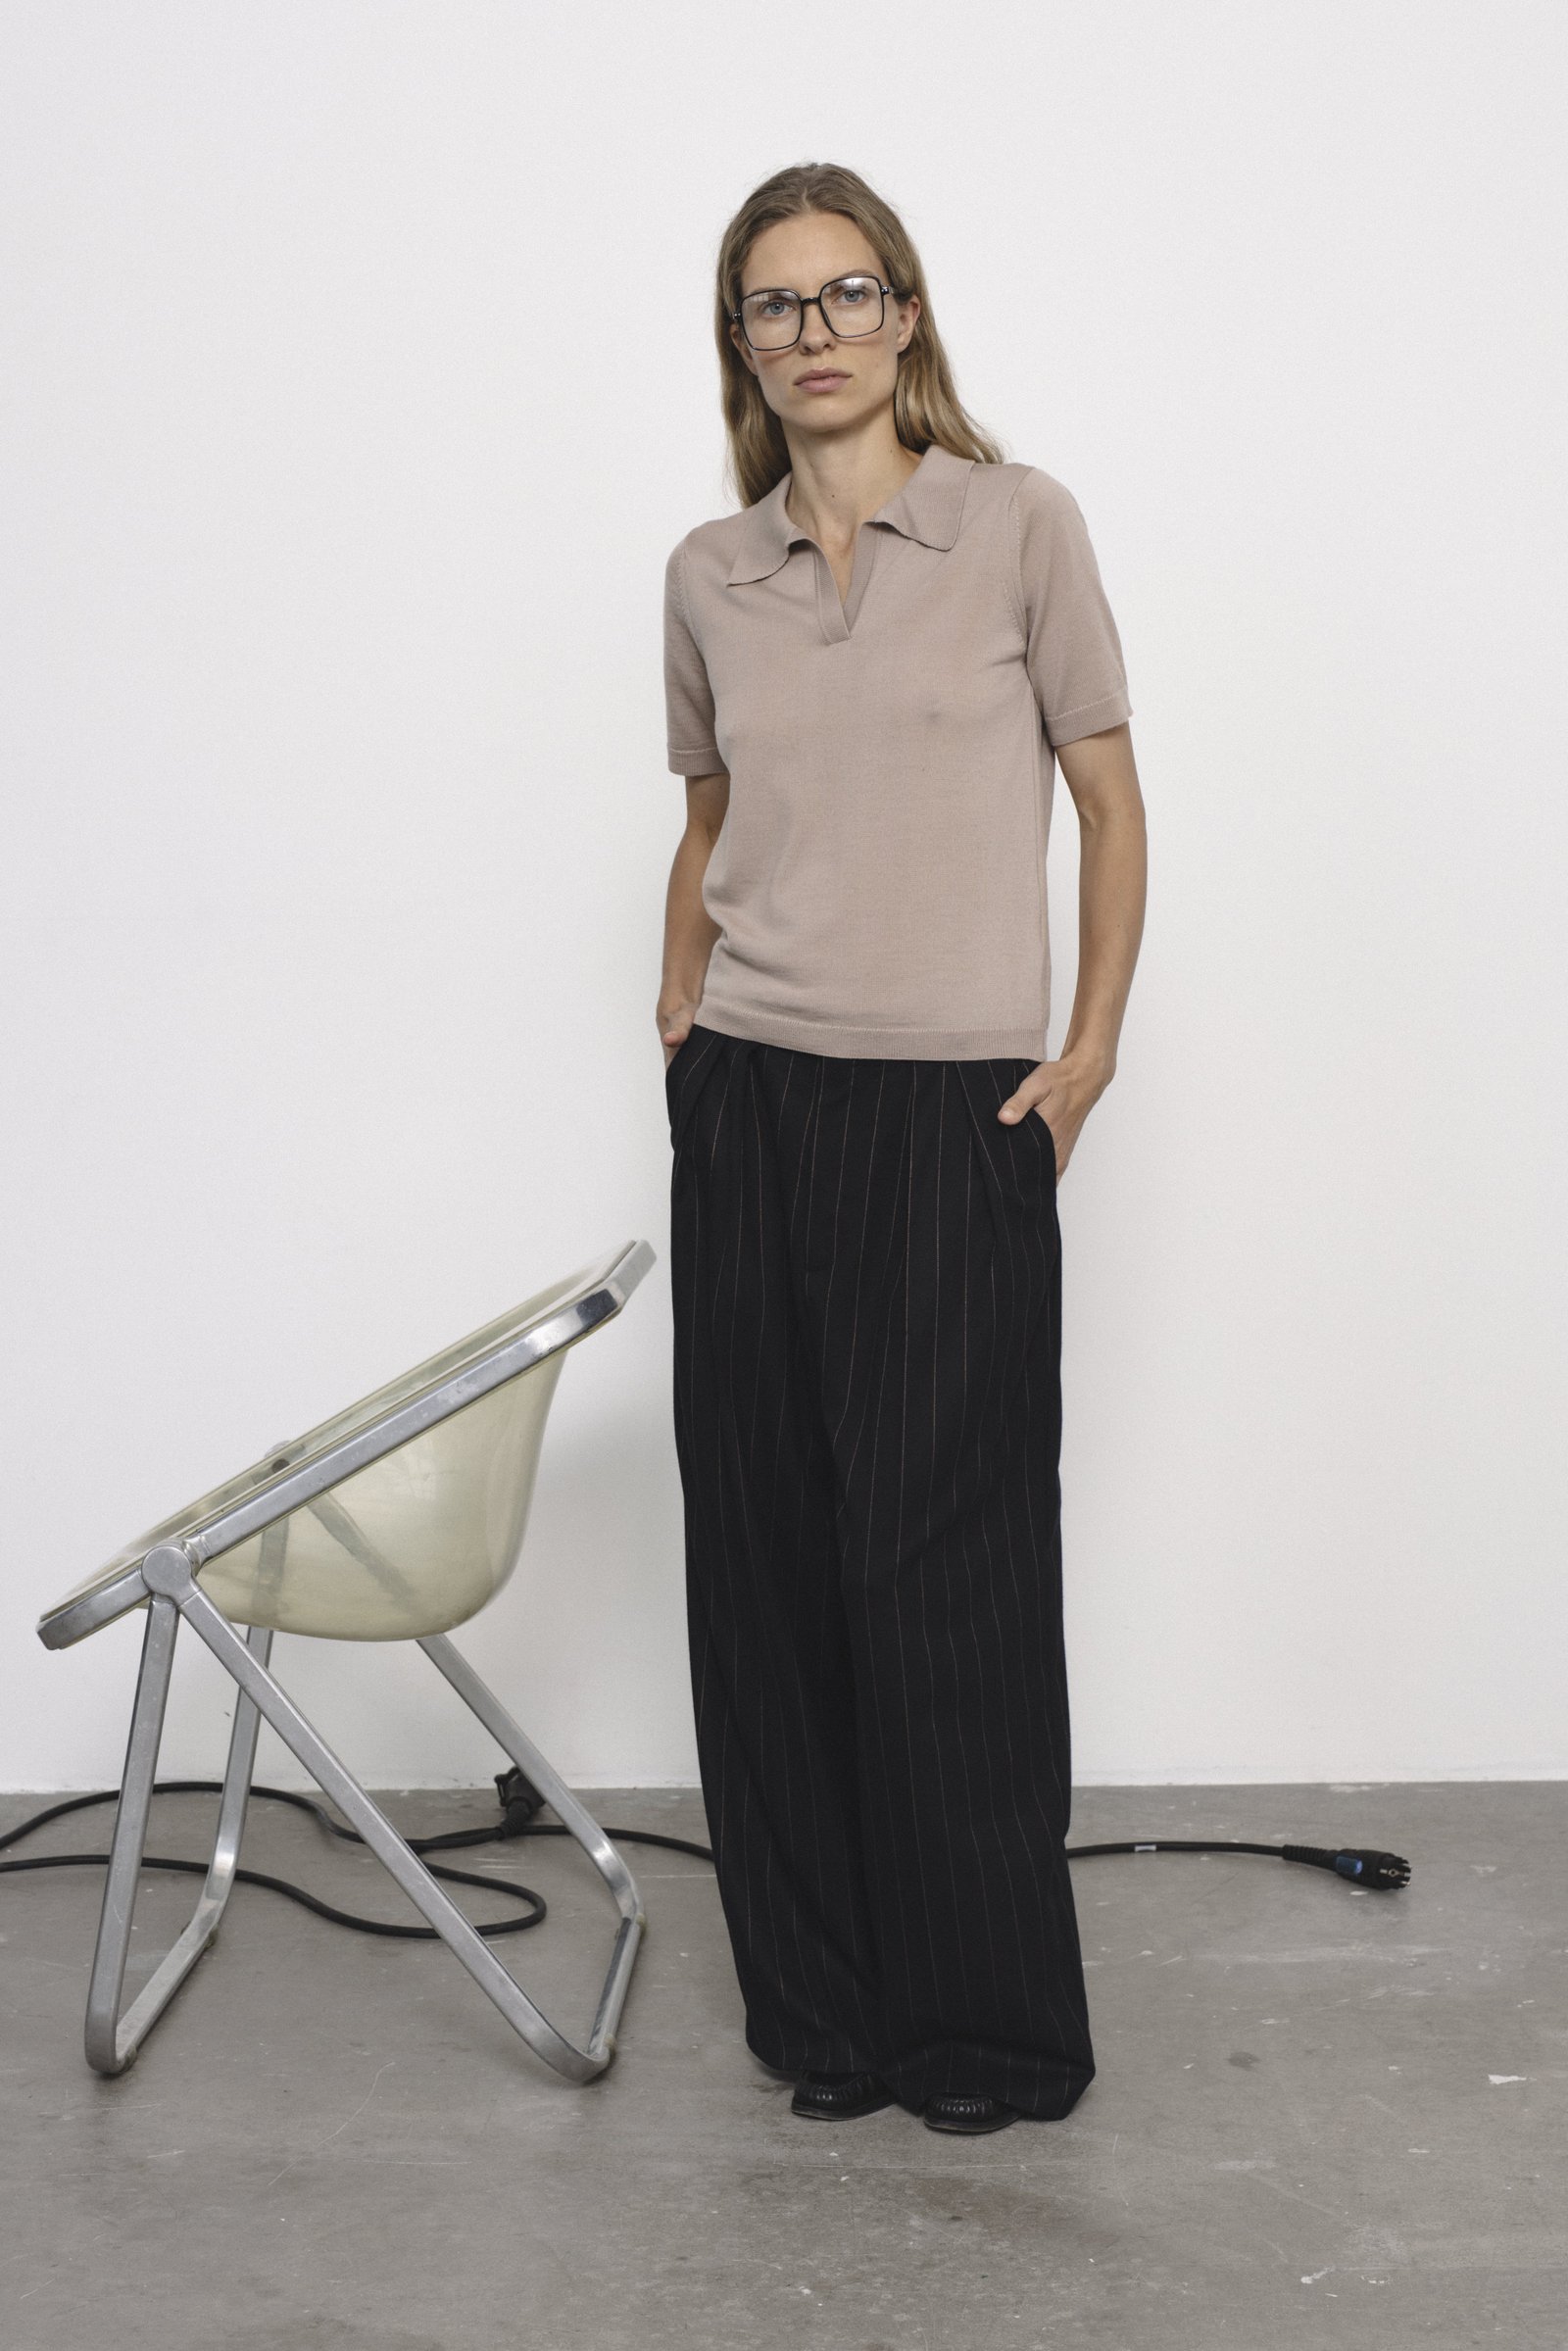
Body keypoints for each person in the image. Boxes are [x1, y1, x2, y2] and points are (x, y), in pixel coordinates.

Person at [657, 162, 1147, 2136]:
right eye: (776, 305)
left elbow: (1109, 802)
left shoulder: (1019, 525)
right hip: (751, 1101)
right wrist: (681, 1020)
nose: (817, 332)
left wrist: (1086, 1051)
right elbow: (706, 821)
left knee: (947, 1573)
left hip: (951, 1103)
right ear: (742, 344)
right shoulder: (710, 570)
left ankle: (984, 2032)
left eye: (848, 293)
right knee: (765, 1558)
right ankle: (824, 2021)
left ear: (906, 312)